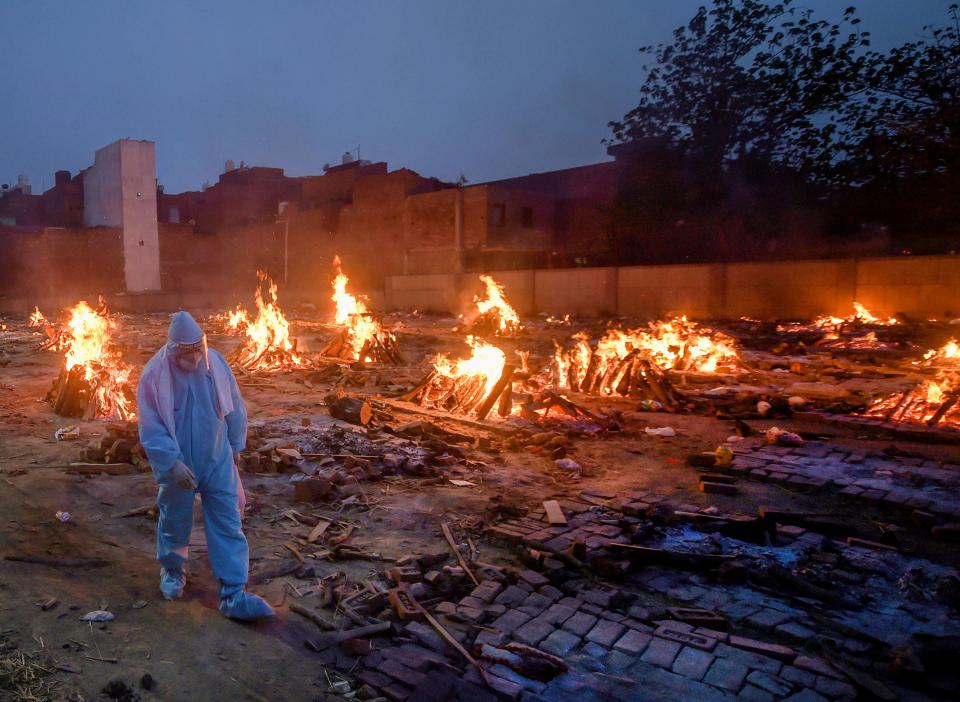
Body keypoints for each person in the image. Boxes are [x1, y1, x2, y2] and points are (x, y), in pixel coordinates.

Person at [137, 311, 273, 620]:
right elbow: (151, 426)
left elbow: (234, 406)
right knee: (174, 520)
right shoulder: (155, 375)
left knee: (227, 521)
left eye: (197, 351)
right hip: (180, 467)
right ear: (174, 350)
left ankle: (233, 591)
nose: (194, 359)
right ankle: (173, 571)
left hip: (216, 458)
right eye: (187, 354)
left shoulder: (216, 365)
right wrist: (171, 463)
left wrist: (236, 446)